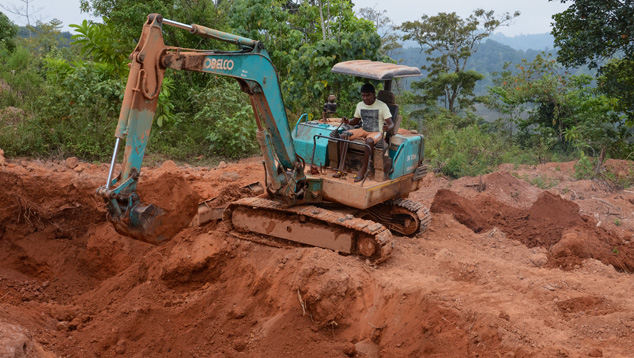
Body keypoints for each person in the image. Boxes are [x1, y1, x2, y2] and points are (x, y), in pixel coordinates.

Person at [333, 83, 394, 182]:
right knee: (344, 135)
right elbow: (355, 121)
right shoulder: (360, 105)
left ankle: (363, 169)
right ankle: (342, 167)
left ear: (374, 94)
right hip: (364, 129)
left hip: (377, 131)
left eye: (368, 95)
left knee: (369, 141)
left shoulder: (382, 106)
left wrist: (388, 127)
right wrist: (348, 121)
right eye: (363, 95)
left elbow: (391, 124)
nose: (365, 98)